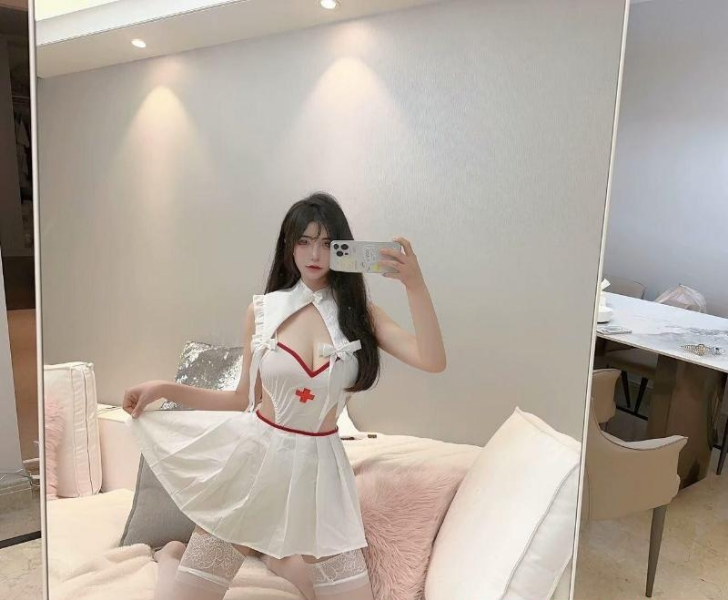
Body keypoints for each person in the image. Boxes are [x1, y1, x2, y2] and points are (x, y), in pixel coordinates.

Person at [123, 192, 446, 600]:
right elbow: (241, 399)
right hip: (257, 463)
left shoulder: (360, 316)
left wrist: (415, 285)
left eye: (327, 243)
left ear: (342, 248)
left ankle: (279, 559)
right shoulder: (262, 312)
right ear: (289, 246)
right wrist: (162, 388)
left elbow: (432, 360)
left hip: (322, 474)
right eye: (304, 241)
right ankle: (172, 557)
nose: (315, 254)